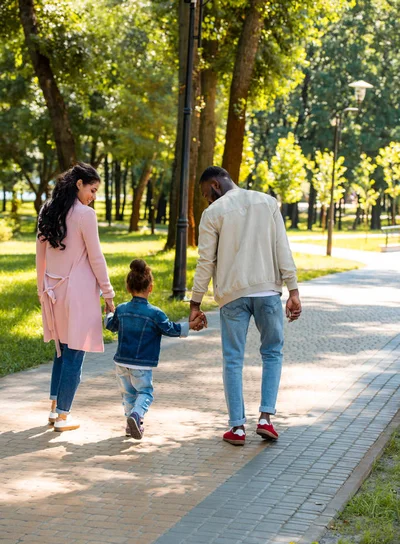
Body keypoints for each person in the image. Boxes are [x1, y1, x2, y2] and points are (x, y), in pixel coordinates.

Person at [190, 166, 302, 446]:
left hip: (232, 296)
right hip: (267, 291)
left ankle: (237, 428)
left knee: (232, 359)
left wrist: (195, 302)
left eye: (206, 194)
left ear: (215, 185)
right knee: (273, 353)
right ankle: (265, 419)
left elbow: (206, 261)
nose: (207, 200)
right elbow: (282, 248)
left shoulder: (213, 214)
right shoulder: (267, 203)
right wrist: (293, 290)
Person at [36, 162, 115, 432]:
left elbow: (40, 257)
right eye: (92, 189)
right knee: (74, 354)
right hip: (79, 294)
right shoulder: (85, 215)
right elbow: (96, 257)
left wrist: (41, 290)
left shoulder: (48, 209)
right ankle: (63, 416)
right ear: (79, 184)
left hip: (53, 291)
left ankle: (54, 409)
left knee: (60, 351)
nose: (93, 196)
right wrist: (108, 293)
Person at [105, 259, 204, 440]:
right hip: (141, 364)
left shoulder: (121, 309)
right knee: (145, 393)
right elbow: (171, 329)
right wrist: (190, 325)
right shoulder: (155, 313)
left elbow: (111, 326)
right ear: (150, 288)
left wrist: (109, 312)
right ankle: (136, 416)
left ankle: (130, 424)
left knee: (128, 394)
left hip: (120, 362)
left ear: (128, 287)